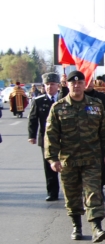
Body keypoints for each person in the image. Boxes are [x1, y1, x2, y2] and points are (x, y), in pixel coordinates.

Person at [44, 70, 105, 242]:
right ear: (67, 85)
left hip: (92, 159)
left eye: (80, 83)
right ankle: (76, 226)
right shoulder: (58, 107)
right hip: (69, 160)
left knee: (93, 192)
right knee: (72, 194)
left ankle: (97, 227)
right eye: (73, 83)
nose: (76, 86)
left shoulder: (96, 105)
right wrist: (52, 159)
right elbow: (51, 135)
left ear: (84, 85)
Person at [28, 73, 62, 201]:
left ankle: (74, 191)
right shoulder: (39, 101)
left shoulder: (63, 99)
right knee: (49, 166)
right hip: (46, 139)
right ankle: (52, 192)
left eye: (52, 84)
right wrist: (32, 135)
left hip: (64, 138)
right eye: (47, 84)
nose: (49, 87)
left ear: (58, 85)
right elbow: (33, 119)